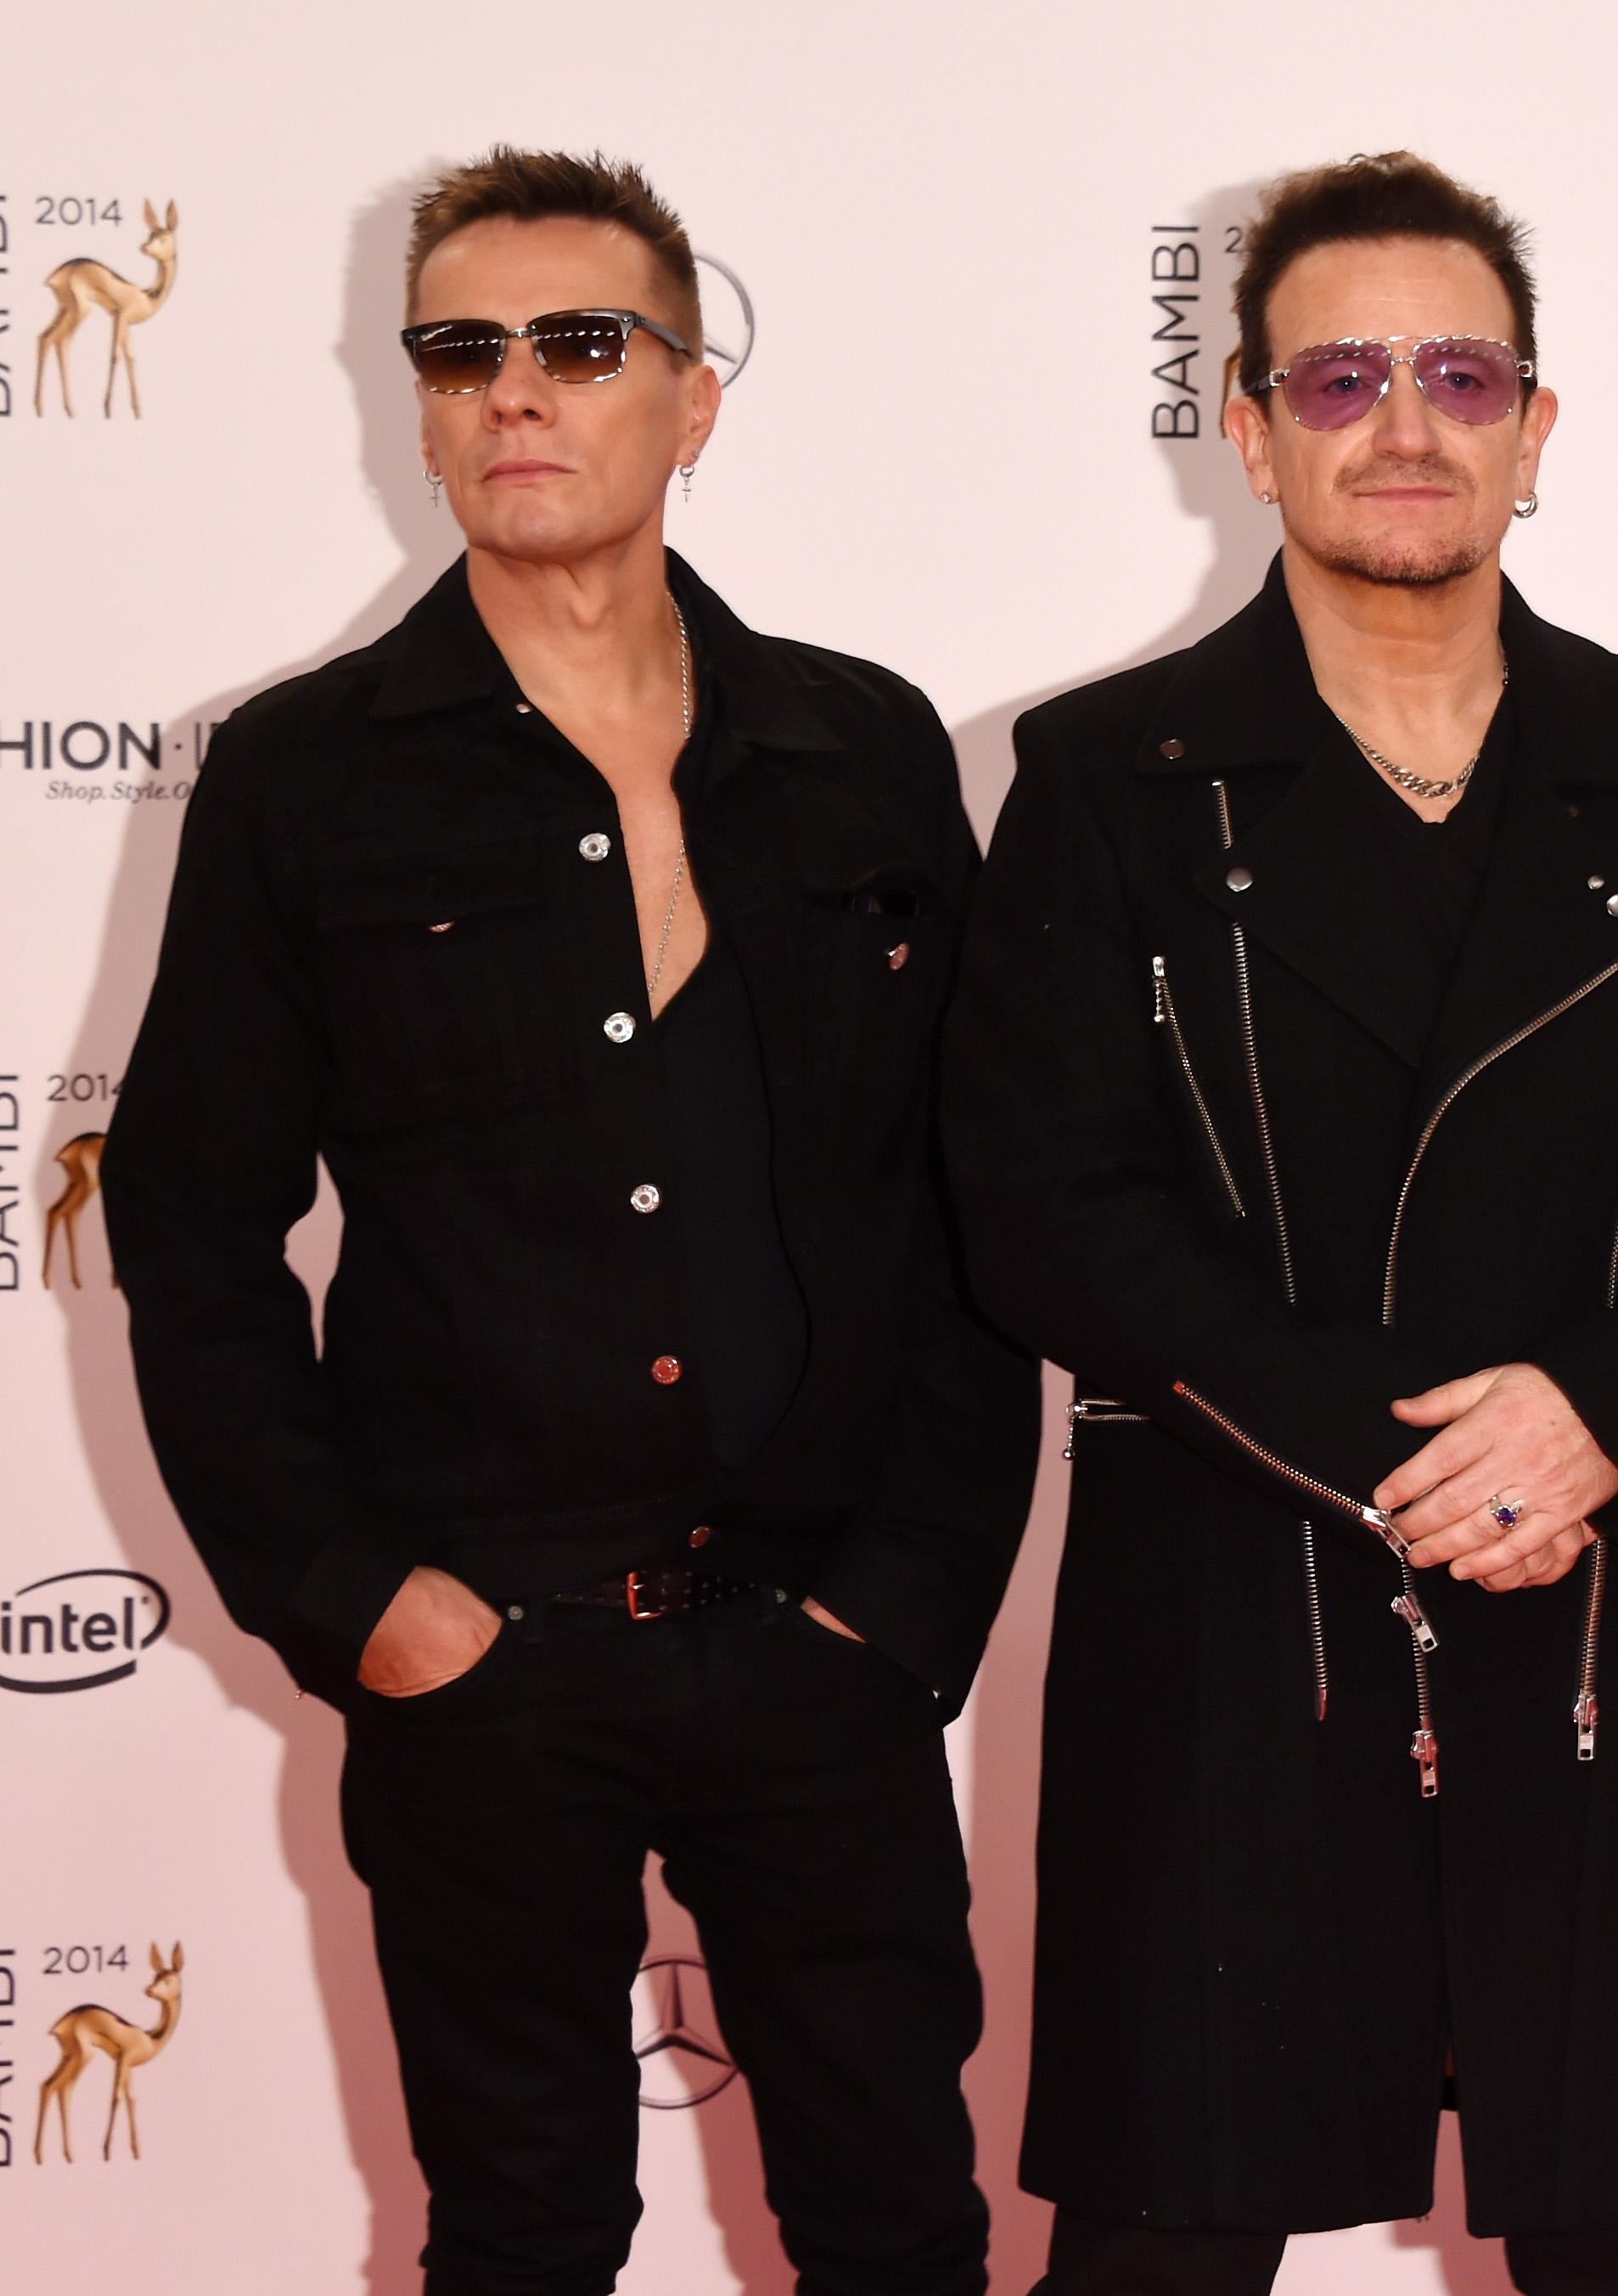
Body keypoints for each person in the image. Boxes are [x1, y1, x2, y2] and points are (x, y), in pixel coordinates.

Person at [940, 153, 1618, 2296]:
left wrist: (1593, 1418)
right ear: (1250, 428)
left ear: (1534, 431)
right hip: (1233, 1612)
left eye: (1460, 374)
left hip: (1593, 1597)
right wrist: (1415, 1458)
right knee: (1162, 2256)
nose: (1403, 422)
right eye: (1339, 375)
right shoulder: (1106, 777)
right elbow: (1045, 1208)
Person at [106, 149, 1039, 2296]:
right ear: (420, 405)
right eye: (463, 349)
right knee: (520, 2238)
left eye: (581, 343)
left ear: (695, 398)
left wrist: (907, 1594)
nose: (514, 389)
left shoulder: (864, 746)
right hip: (481, 1663)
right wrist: (358, 1599)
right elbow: (190, 1222)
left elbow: (967, 1203)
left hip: (824, 1641)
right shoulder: (303, 776)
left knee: (901, 2229)